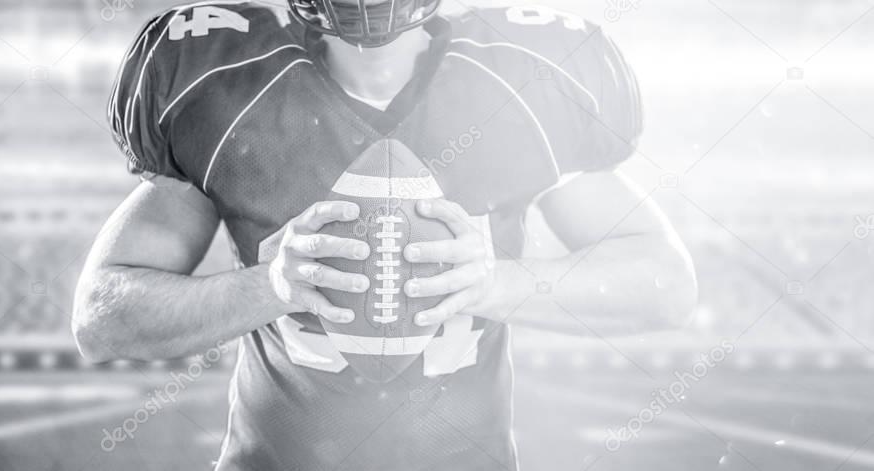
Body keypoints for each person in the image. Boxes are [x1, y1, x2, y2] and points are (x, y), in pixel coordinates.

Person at [72, 0, 698, 467]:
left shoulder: (521, 82)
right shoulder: (227, 85)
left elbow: (666, 286)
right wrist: (271, 286)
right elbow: (101, 319)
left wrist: (499, 284)